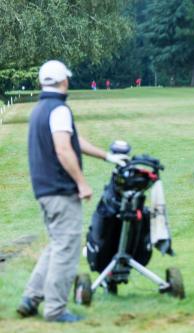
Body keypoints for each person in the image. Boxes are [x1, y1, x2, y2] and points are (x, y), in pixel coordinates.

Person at [17, 60, 129, 323]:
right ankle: (55, 309)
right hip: (60, 190)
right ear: (63, 81)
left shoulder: (40, 109)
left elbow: (72, 140)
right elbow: (63, 149)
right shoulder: (59, 109)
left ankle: (31, 298)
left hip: (44, 190)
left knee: (56, 245)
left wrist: (106, 156)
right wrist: (81, 182)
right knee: (66, 249)